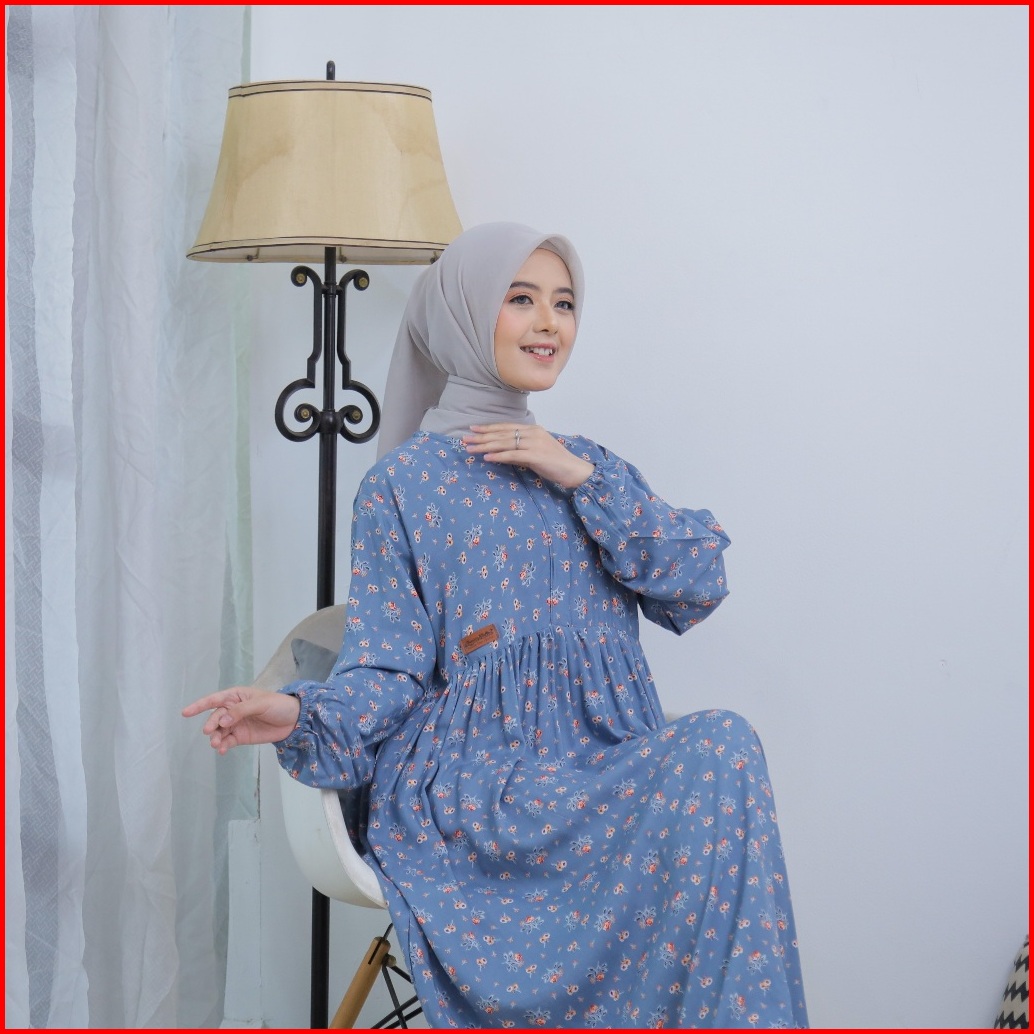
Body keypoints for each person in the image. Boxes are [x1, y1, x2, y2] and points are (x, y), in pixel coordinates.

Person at [183, 222, 809, 1028]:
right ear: (464, 313)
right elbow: (387, 669)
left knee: (723, 743)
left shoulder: (587, 467)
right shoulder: (404, 486)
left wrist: (575, 474)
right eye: (521, 299)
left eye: (564, 304)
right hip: (479, 790)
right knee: (715, 751)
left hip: (598, 768)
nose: (549, 323)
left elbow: (695, 583)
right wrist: (298, 712)